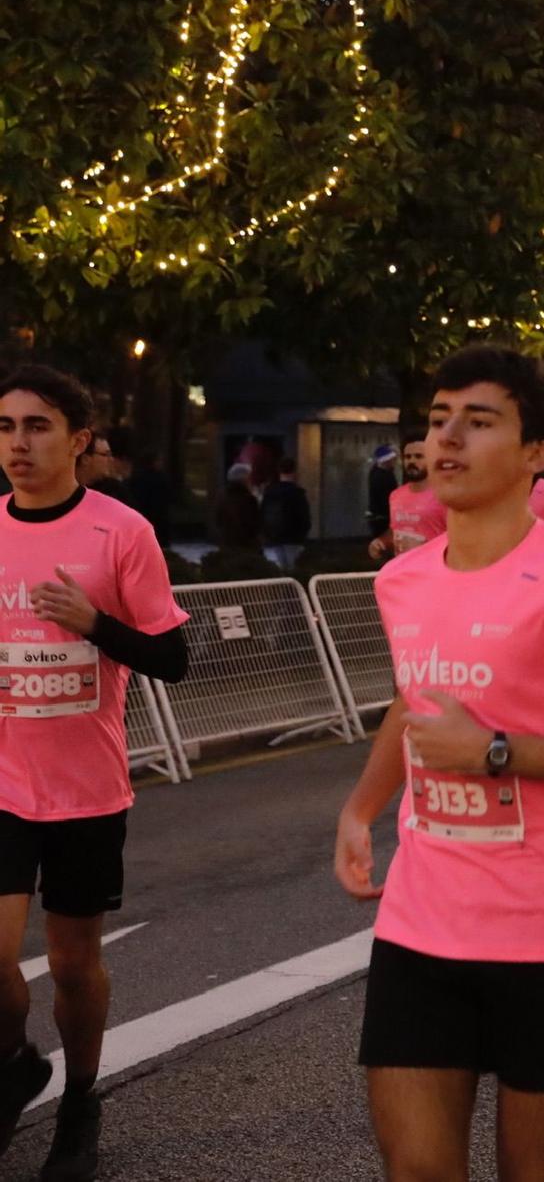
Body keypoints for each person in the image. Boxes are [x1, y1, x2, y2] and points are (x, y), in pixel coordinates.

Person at [332, 345, 544, 1182]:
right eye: (439, 419)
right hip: (422, 921)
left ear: (536, 454)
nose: (446, 438)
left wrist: (495, 754)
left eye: (478, 422)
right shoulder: (402, 581)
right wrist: (361, 806)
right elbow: (416, 702)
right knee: (417, 1171)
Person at [0, 368, 191, 1181]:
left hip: (84, 788)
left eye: (37, 426)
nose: (17, 443)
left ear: (79, 439)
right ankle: (12, 1066)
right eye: (5, 426)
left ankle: (79, 1100)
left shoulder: (121, 532)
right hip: (2, 784)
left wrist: (94, 623)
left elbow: (174, 658)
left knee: (75, 963)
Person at [371, 437, 445, 560]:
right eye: (408, 457)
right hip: (402, 569)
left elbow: (460, 538)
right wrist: (381, 542)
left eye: (418, 456)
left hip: (433, 569)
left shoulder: (445, 496)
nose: (412, 461)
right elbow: (395, 529)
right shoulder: (396, 495)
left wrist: (424, 546)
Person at [259, 457, 313, 570]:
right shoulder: (297, 494)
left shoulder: (269, 493)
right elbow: (304, 519)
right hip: (292, 540)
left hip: (271, 540)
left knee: (276, 573)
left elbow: (261, 515)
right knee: (291, 573)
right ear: (294, 472)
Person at [215, 461, 262, 553]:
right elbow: (254, 524)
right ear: (244, 480)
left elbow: (217, 519)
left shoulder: (222, 496)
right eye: (249, 478)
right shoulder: (248, 499)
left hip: (227, 543)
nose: (251, 481)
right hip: (246, 546)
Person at [367, 443, 398, 541]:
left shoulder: (378, 472)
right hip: (383, 516)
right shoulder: (381, 476)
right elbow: (386, 497)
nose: (395, 462)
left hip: (381, 515)